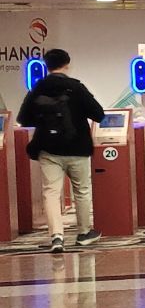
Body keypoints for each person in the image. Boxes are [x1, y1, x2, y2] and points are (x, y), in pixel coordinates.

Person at [18, 48, 105, 252]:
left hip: (48, 150)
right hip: (77, 147)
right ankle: (84, 233)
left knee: (51, 193)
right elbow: (98, 114)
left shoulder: (38, 88)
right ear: (67, 64)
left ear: (46, 66)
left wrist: (43, 121)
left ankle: (56, 236)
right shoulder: (75, 87)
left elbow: (24, 118)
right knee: (81, 190)